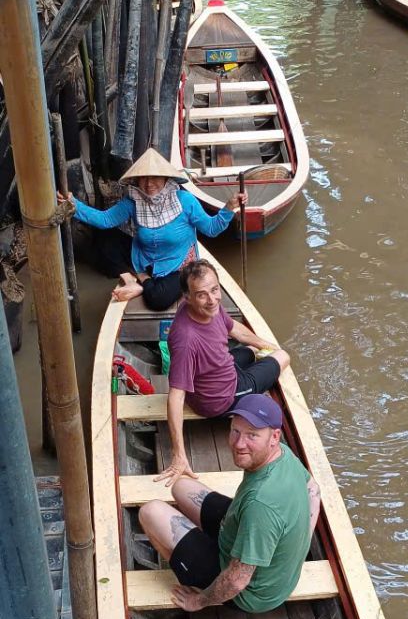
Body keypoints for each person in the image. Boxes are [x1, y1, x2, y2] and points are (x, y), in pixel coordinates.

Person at [139, 394, 321, 613]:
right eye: (235, 431)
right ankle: (198, 547)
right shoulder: (284, 454)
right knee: (181, 486)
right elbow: (313, 490)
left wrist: (198, 602)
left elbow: (237, 580)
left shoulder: (260, 506)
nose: (239, 443)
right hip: (241, 532)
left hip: (250, 594)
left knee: (150, 512)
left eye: (252, 435)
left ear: (274, 436)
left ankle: (190, 574)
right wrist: (299, 546)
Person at [57, 147, 244, 311]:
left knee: (158, 299)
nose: (148, 183)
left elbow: (211, 229)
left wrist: (229, 207)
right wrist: (73, 204)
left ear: (166, 178)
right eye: (143, 178)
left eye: (154, 177)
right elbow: (105, 220)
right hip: (143, 257)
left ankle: (141, 283)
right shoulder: (133, 200)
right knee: (103, 236)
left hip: (176, 265)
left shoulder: (184, 201)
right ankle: (133, 277)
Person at [157, 257, 290, 485]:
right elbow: (176, 396)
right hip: (220, 397)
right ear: (187, 298)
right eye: (202, 295)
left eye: (215, 290)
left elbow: (234, 329)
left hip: (222, 369)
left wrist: (265, 345)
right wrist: (178, 455)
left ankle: (260, 354)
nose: (212, 300)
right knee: (284, 356)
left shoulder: (211, 308)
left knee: (251, 349)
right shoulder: (186, 340)